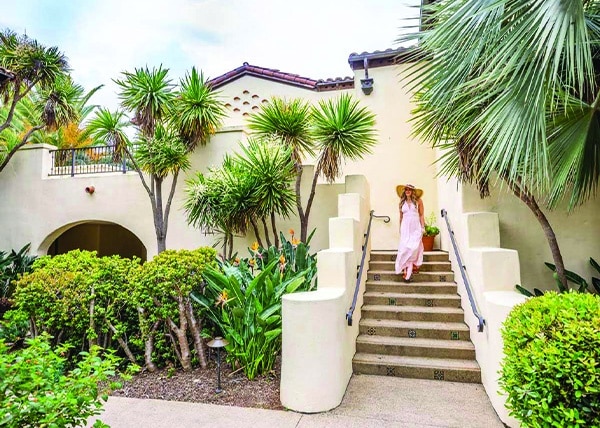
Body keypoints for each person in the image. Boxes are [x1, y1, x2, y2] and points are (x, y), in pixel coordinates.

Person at [394, 183, 425, 281]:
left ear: (412, 191)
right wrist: (400, 228)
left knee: (414, 246)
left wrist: (422, 227)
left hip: (415, 227)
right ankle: (405, 269)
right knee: (404, 248)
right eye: (406, 189)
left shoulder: (418, 201)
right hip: (405, 227)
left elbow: (421, 215)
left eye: (409, 189)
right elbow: (401, 217)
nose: (407, 191)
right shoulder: (401, 203)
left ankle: (410, 267)